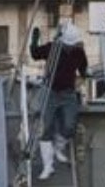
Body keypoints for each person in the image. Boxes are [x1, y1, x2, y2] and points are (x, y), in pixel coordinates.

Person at [30, 20, 88, 180]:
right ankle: (48, 165)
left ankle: (58, 147)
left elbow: (83, 69)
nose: (70, 47)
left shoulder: (79, 52)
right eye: (69, 45)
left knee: (70, 124)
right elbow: (35, 54)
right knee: (45, 127)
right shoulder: (53, 48)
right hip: (50, 91)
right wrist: (34, 38)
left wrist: (83, 77)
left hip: (68, 92)